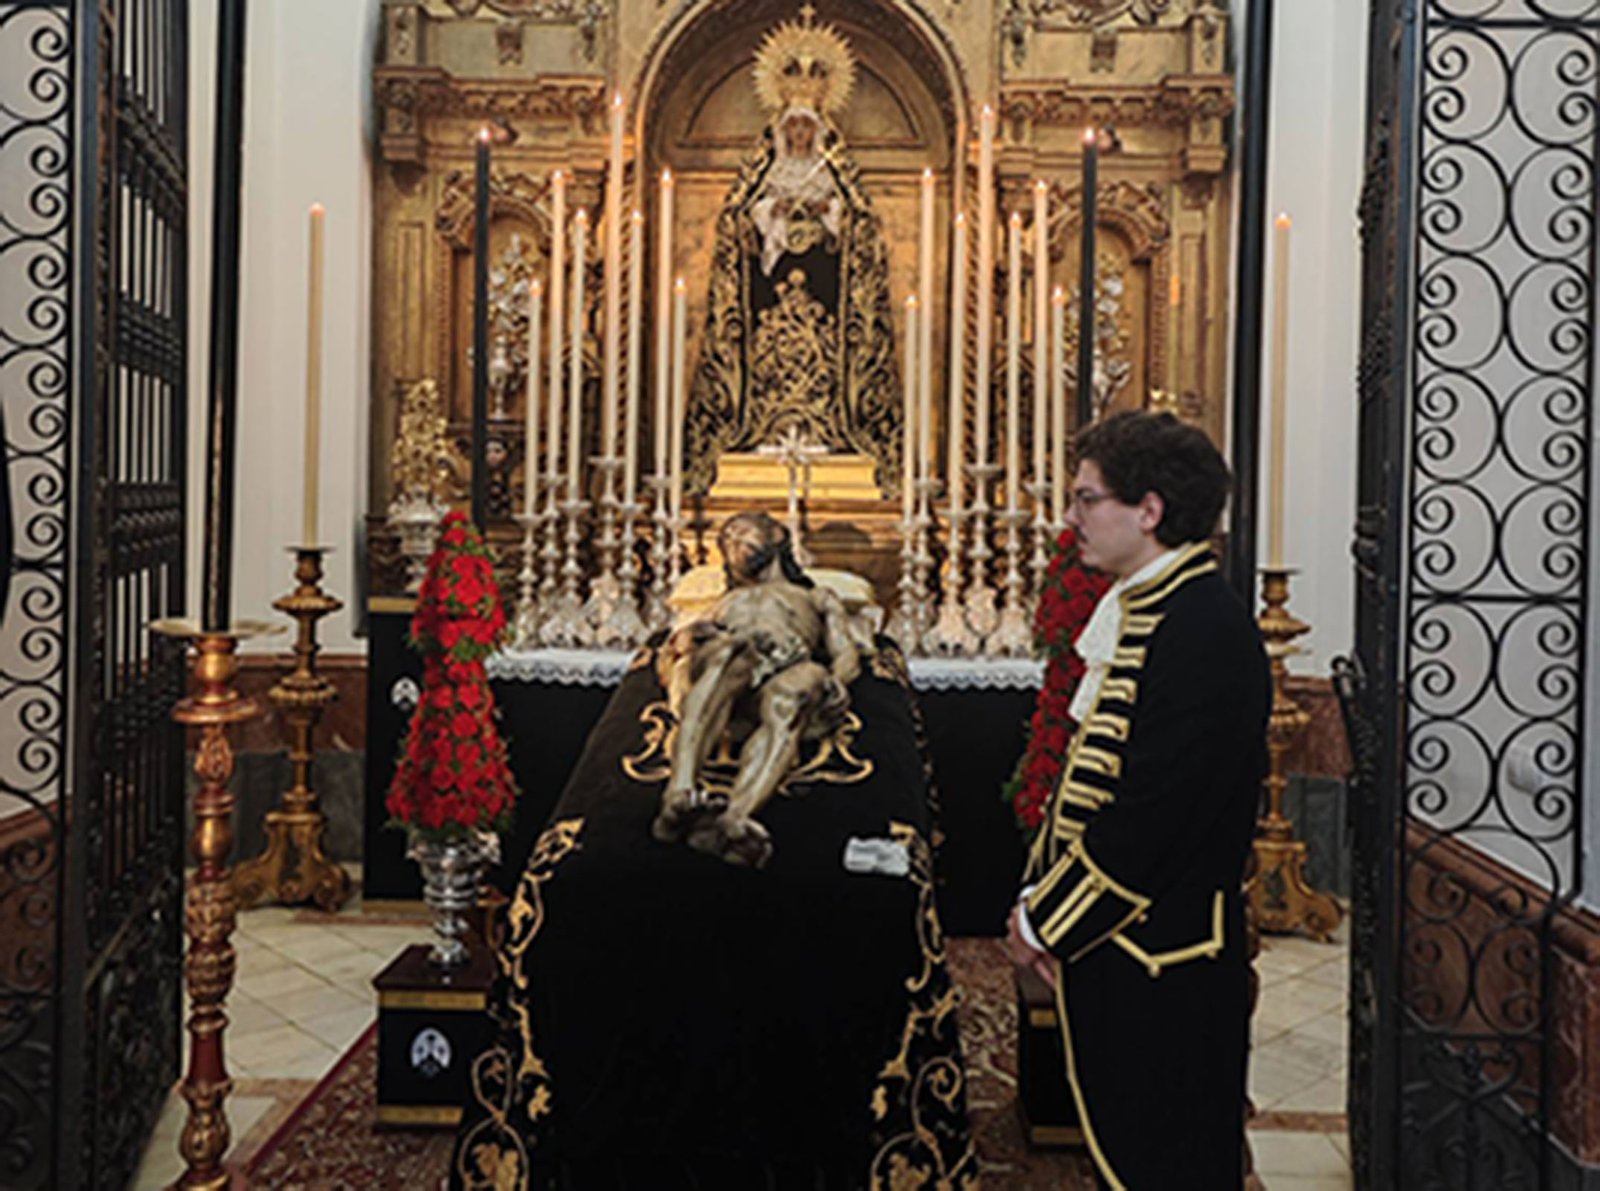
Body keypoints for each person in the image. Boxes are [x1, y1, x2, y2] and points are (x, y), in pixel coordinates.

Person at [1005, 410, 1271, 1189]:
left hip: (1164, 959)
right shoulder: (1152, 604)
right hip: (1123, 948)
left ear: (1149, 509)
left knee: (1166, 1162)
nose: (1071, 518)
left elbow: (1154, 815)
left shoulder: (1203, 626)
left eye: (1087, 498)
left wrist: (1046, 919)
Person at [654, 511, 860, 867]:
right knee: (731, 652)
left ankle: (735, 818)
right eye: (726, 540)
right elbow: (676, 649)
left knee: (797, 690)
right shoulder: (723, 602)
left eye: (742, 532)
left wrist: (836, 680)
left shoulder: (816, 597)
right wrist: (693, 635)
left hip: (788, 666)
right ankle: (678, 795)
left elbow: (846, 652)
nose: (732, 541)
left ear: (776, 535)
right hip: (732, 668)